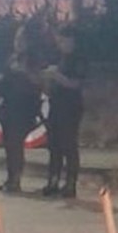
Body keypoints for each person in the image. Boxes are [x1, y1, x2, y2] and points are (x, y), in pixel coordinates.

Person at [0, 24, 45, 194]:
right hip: (9, 106)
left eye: (21, 39)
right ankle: (10, 177)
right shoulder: (11, 58)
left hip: (24, 107)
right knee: (8, 144)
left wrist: (25, 71)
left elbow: (37, 82)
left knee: (16, 143)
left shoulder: (34, 59)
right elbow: (4, 81)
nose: (18, 42)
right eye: (16, 39)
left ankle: (16, 179)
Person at [43, 24, 84, 198]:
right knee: (54, 145)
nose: (60, 43)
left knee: (69, 145)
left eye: (63, 40)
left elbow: (76, 83)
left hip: (71, 106)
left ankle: (70, 183)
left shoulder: (78, 59)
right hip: (56, 105)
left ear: (72, 40)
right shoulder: (59, 58)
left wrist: (56, 76)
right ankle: (53, 181)